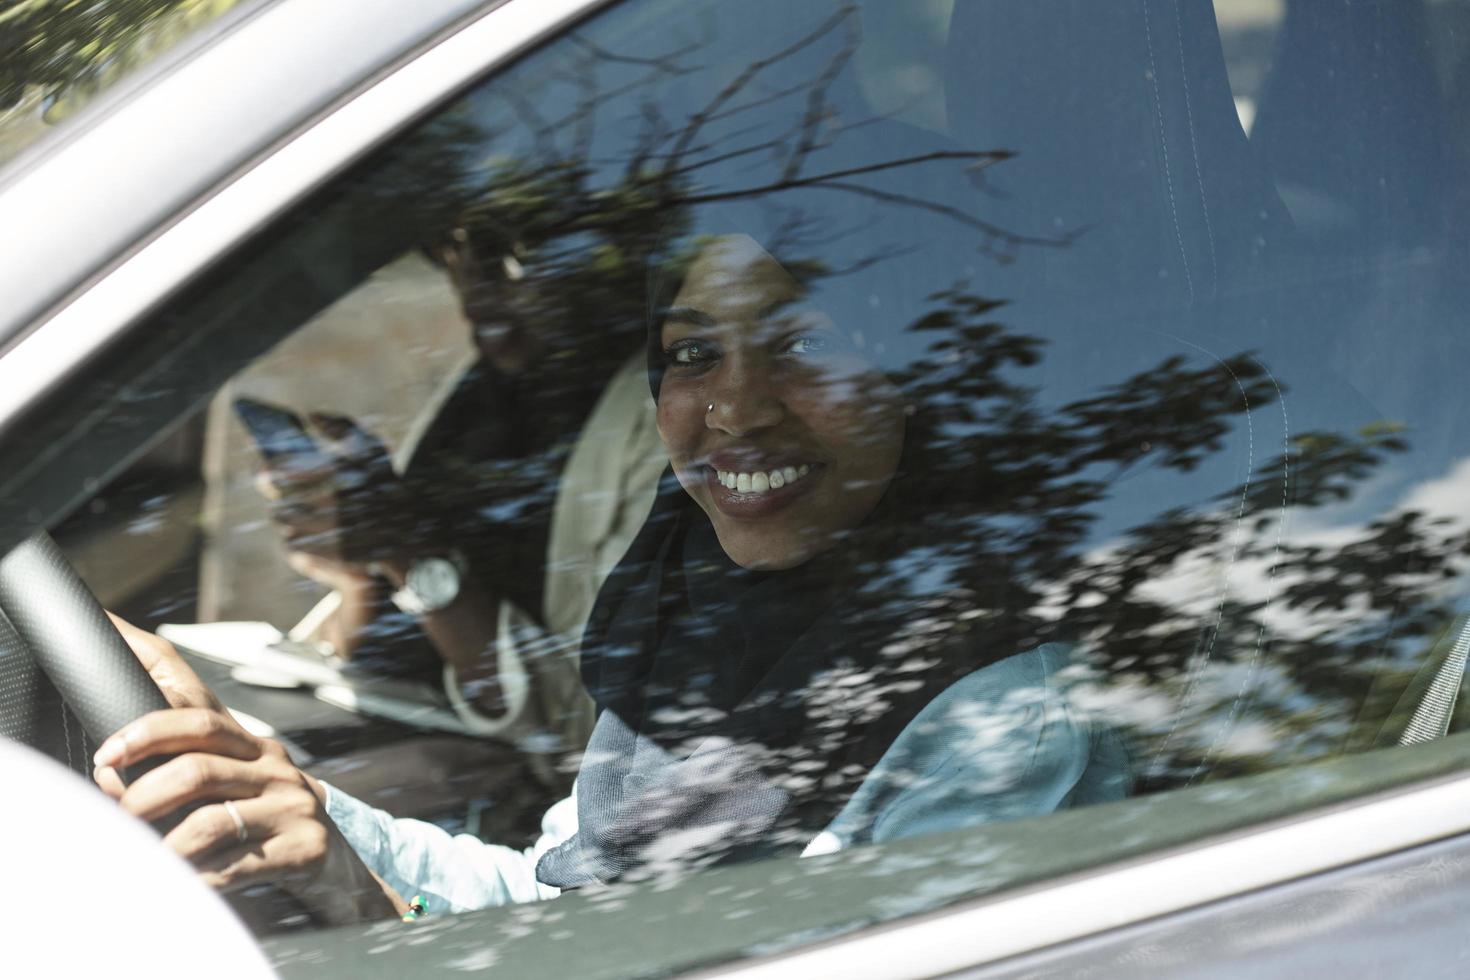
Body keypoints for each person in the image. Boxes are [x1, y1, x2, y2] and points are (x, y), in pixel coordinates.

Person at [93, 202, 1132, 922]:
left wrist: (386, 912)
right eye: (690, 353)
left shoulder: (994, 717)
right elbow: (560, 900)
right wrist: (297, 810)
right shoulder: (691, 605)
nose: (732, 405)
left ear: (918, 381)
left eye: (805, 343)